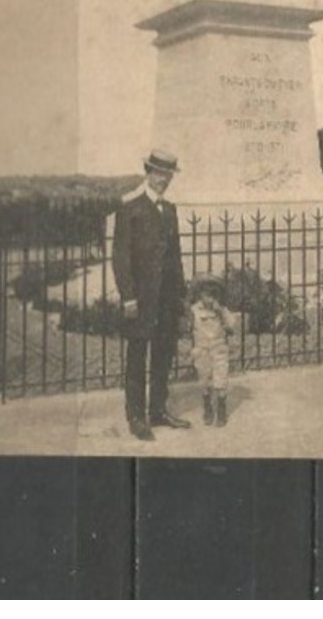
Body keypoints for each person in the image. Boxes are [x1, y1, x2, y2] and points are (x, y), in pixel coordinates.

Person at [112, 149, 190, 441]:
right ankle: (136, 416)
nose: (164, 180)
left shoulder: (169, 210)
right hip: (141, 299)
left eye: (168, 175)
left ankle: (157, 410)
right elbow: (120, 257)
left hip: (167, 299)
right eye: (159, 174)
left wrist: (181, 296)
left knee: (163, 354)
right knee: (136, 356)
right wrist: (128, 297)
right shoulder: (130, 207)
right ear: (148, 172)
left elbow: (176, 257)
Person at [189, 276, 236, 427]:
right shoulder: (194, 310)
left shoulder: (221, 310)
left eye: (213, 296)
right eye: (206, 295)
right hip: (202, 349)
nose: (209, 299)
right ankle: (208, 407)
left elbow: (231, 326)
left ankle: (221, 409)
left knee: (220, 380)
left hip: (218, 348)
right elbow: (187, 327)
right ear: (199, 295)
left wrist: (221, 312)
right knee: (204, 380)